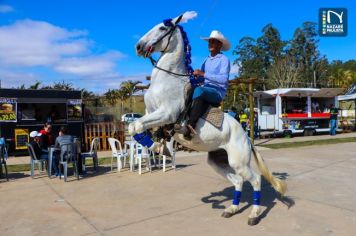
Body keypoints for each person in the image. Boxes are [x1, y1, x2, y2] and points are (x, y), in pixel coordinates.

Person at [182, 30, 231, 139]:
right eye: (210, 41)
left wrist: (202, 73)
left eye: (213, 41)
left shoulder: (224, 60)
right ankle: (181, 117)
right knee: (188, 89)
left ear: (220, 45)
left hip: (217, 92)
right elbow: (202, 79)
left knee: (199, 90)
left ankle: (191, 125)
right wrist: (194, 76)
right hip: (206, 89)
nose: (210, 44)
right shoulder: (206, 60)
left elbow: (223, 79)